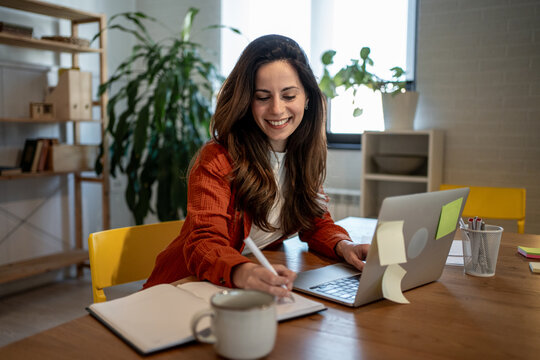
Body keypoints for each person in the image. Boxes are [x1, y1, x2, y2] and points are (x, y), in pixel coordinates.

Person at [143, 34, 370, 298]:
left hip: (234, 291)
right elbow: (204, 244)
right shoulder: (217, 160)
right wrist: (245, 272)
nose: (277, 109)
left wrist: (344, 246)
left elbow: (316, 222)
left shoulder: (301, 154)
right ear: (247, 101)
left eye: (288, 95)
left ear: (307, 97)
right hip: (183, 287)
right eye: (262, 97)